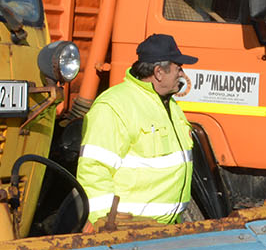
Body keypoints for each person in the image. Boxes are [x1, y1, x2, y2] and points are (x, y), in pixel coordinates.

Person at [76, 33, 197, 227]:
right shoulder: (114, 106)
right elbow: (94, 171)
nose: (182, 75)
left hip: (162, 230)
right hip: (129, 231)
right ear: (158, 72)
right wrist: (106, 224)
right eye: (178, 68)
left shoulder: (169, 104)